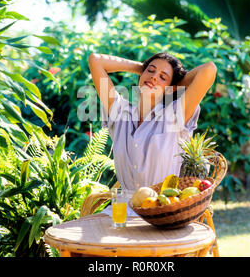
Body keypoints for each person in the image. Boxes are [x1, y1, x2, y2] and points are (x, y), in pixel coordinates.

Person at [88, 52, 217, 215]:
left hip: (162, 212)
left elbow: (209, 69)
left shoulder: (175, 116)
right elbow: (95, 60)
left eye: (163, 77)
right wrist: (141, 68)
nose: (154, 77)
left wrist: (174, 85)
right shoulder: (120, 112)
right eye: (151, 71)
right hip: (121, 212)